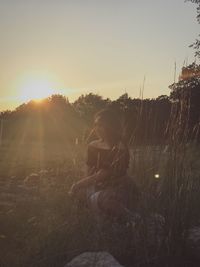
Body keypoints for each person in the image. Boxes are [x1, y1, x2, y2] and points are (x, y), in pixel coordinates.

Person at [69, 108, 139, 225]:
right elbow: (89, 168)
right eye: (96, 124)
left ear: (111, 126)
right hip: (97, 183)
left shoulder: (119, 147)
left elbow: (103, 174)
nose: (97, 128)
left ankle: (133, 220)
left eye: (101, 125)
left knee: (106, 201)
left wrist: (78, 184)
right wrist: (86, 186)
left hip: (117, 185)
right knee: (79, 194)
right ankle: (93, 220)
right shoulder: (93, 145)